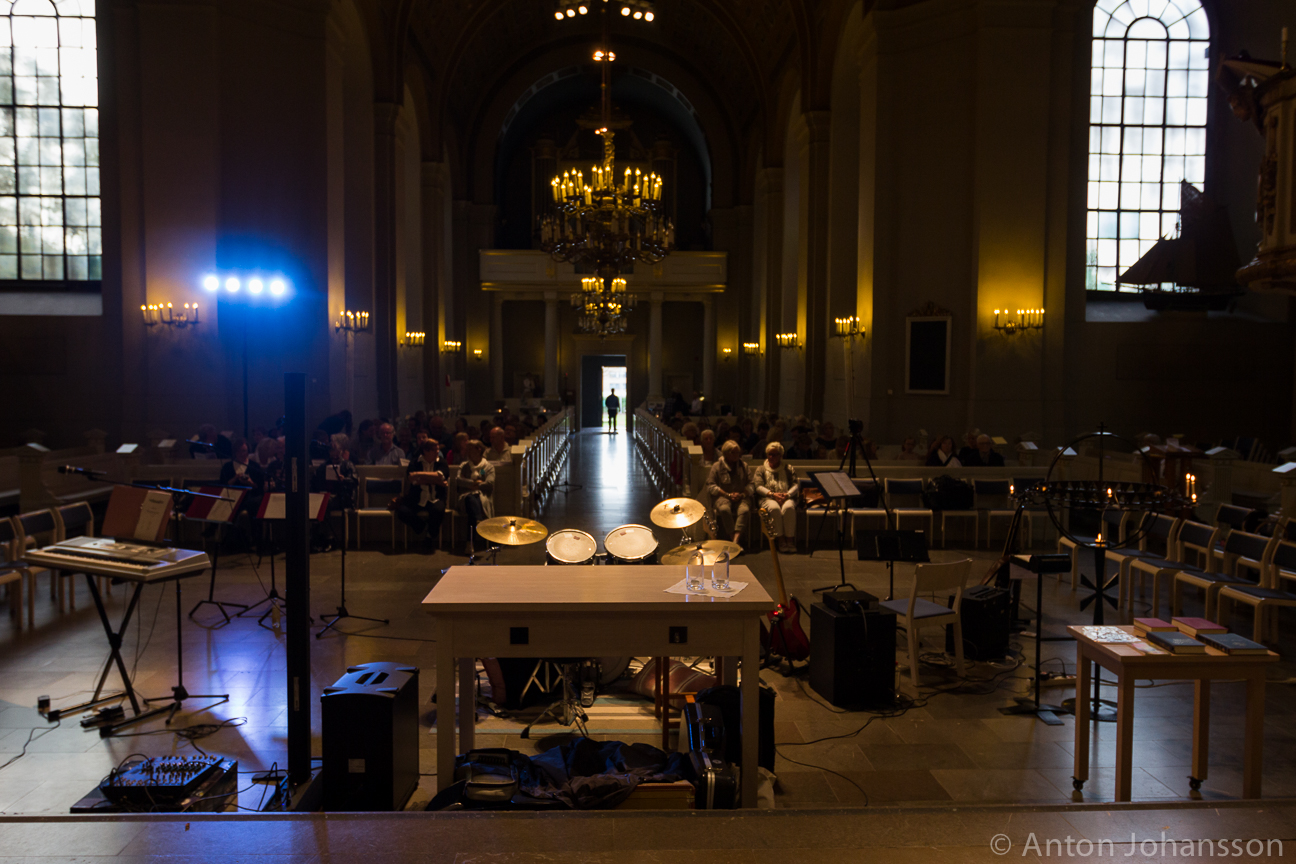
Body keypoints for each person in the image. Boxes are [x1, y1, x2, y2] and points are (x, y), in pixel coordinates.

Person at [394, 438, 449, 546]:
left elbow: (440, 476)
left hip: (435, 497)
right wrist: (435, 481)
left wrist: (418, 474)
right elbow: (412, 480)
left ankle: (429, 537)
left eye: (438, 449)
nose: (437, 452)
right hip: (417, 497)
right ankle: (422, 526)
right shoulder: (415, 462)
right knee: (402, 512)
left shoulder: (442, 462)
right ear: (425, 451)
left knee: (438, 511)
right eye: (434, 450)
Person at [754, 441, 800, 554]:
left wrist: (787, 495)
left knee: (789, 508)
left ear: (780, 456)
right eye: (769, 454)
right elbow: (758, 487)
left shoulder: (788, 468)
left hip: (786, 496)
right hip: (767, 498)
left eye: (774, 455)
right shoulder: (761, 469)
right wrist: (772, 494)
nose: (771, 457)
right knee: (774, 509)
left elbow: (795, 484)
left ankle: (790, 540)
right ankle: (781, 540)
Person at [706, 440, 754, 546]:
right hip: (723, 496)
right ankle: (733, 537)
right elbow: (711, 486)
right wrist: (727, 495)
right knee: (724, 509)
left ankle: (736, 540)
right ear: (726, 453)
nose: (736, 455)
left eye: (737, 452)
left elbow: (751, 484)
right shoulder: (717, 466)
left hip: (741, 496)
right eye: (733, 452)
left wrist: (742, 494)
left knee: (744, 510)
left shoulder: (744, 466)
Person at [455, 440, 495, 554]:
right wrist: (474, 483)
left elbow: (490, 484)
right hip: (466, 497)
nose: (467, 451)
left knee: (473, 507)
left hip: (482, 497)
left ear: (478, 450)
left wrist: (475, 485)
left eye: (470, 448)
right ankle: (478, 520)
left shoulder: (488, 467)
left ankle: (470, 543)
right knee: (470, 499)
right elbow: (458, 480)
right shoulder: (464, 466)